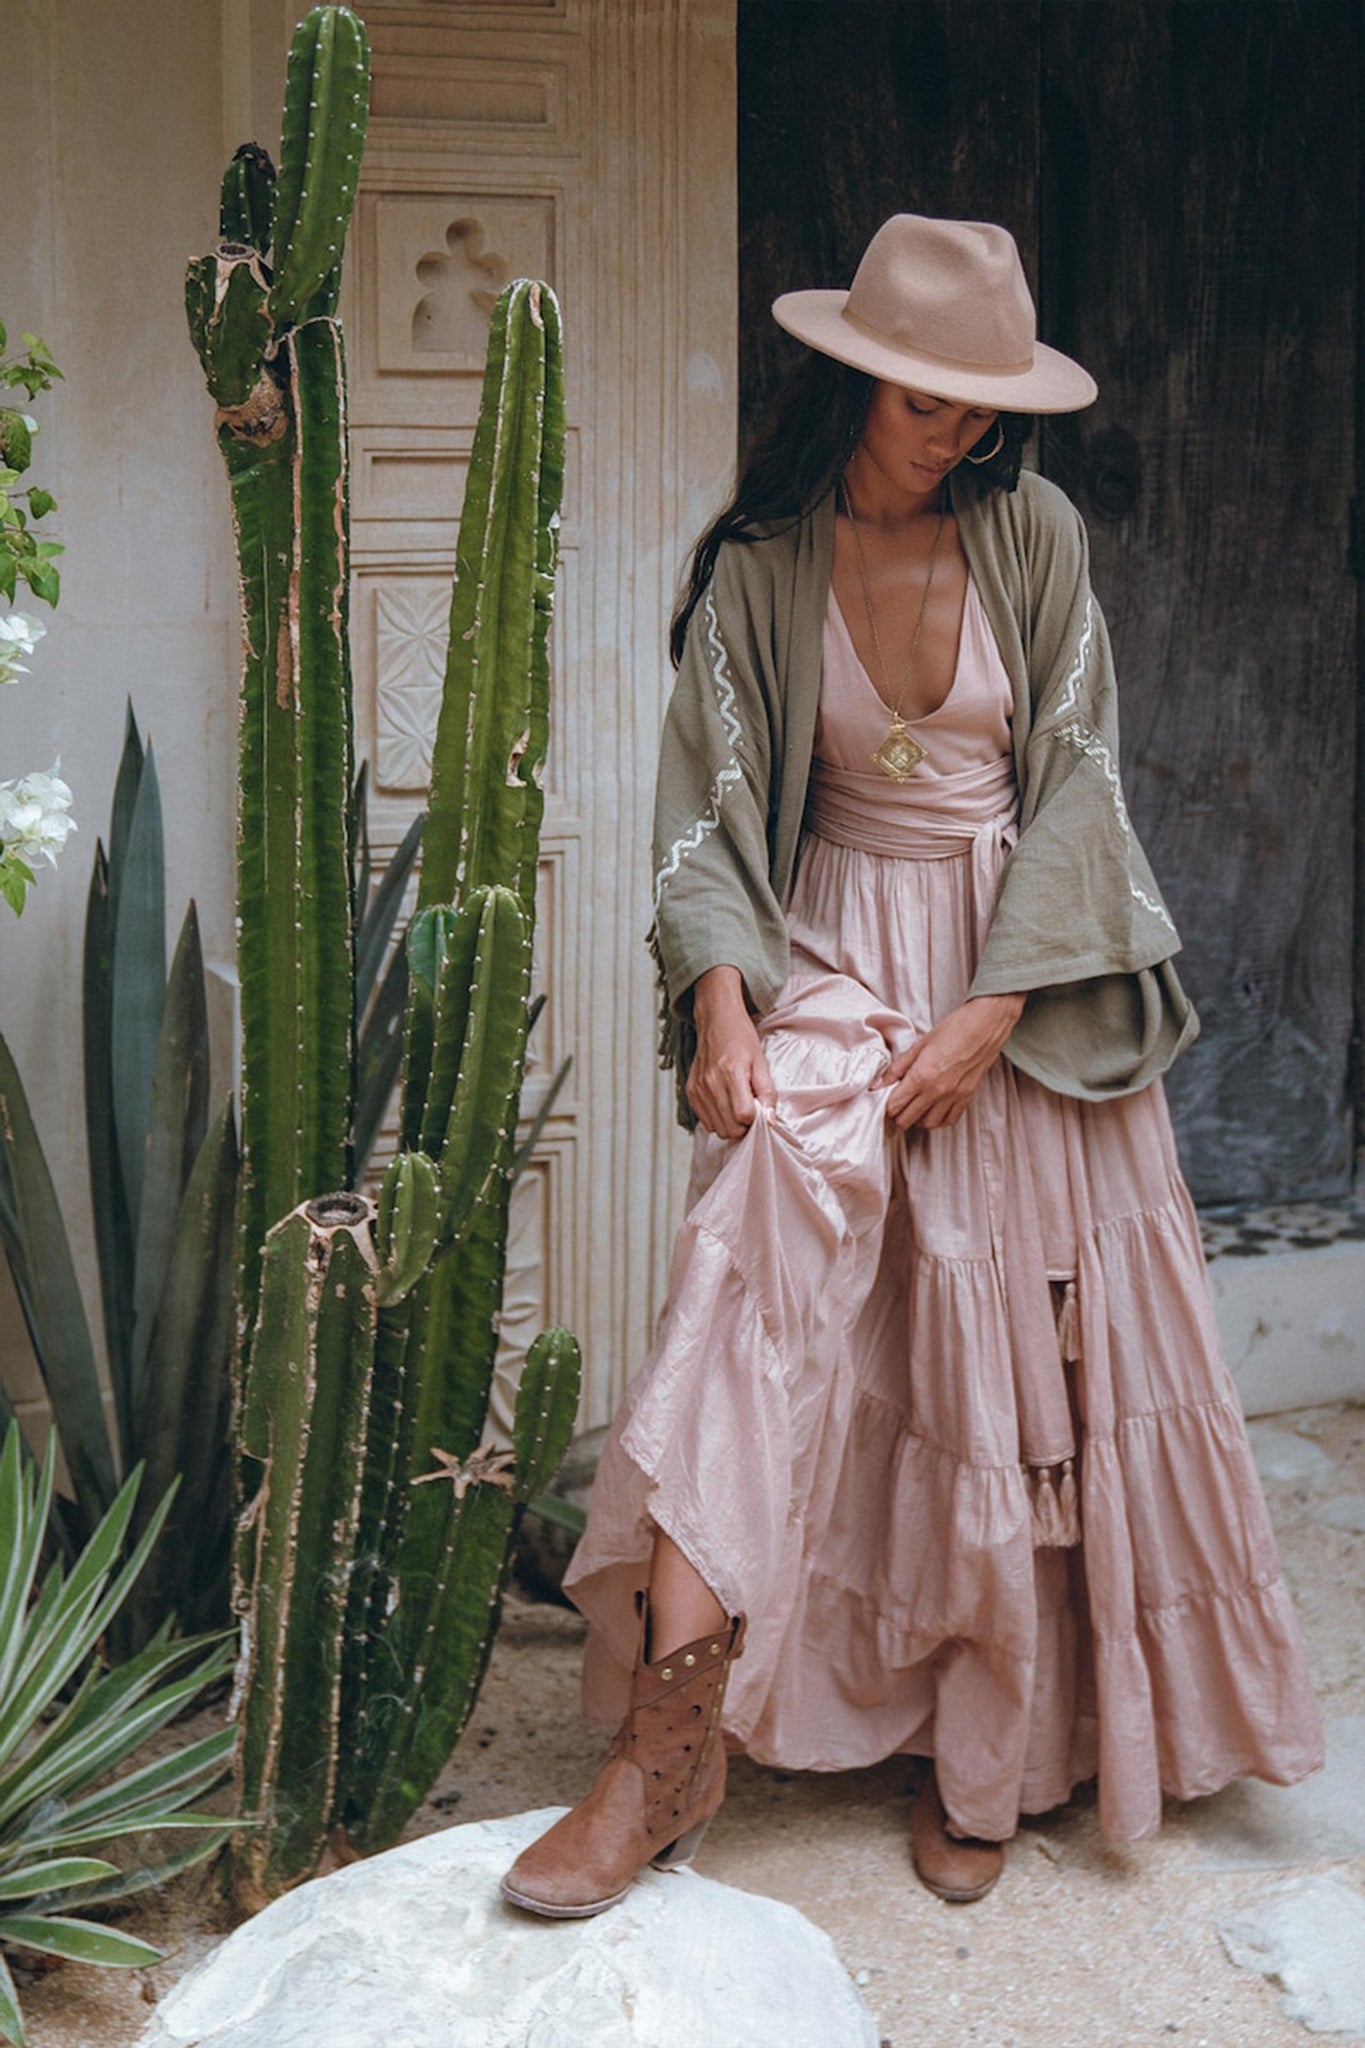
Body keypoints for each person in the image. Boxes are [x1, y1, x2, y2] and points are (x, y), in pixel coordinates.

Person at [501, 213, 1324, 1918]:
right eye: (926, 400)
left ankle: (994, 1754)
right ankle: (660, 1757)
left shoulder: (1033, 535)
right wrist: (722, 1000)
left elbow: (1080, 778)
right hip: (823, 951)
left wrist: (997, 1008)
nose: (956, 429)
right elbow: (703, 818)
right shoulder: (757, 568)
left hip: (1011, 964)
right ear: (856, 376)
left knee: (1001, 1362)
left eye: (979, 404)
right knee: (746, 1281)